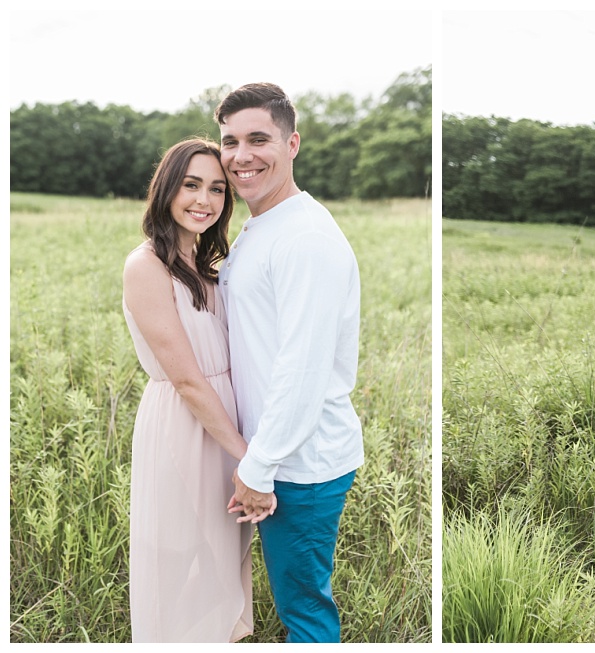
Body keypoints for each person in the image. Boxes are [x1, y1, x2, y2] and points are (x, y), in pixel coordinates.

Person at [217, 82, 364, 643]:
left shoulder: (305, 237)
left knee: (303, 609)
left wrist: (260, 467)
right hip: (270, 453)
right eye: (230, 141)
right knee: (286, 596)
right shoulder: (262, 226)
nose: (241, 156)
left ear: (292, 143)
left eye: (259, 139)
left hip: (300, 462)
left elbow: (302, 368)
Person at [122, 138, 268, 642]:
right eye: (191, 185)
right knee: (181, 558)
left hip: (223, 426)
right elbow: (186, 378)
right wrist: (250, 459)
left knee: (221, 558)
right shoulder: (146, 266)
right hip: (184, 427)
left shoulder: (209, 268)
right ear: (166, 188)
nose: (204, 200)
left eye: (217, 189)